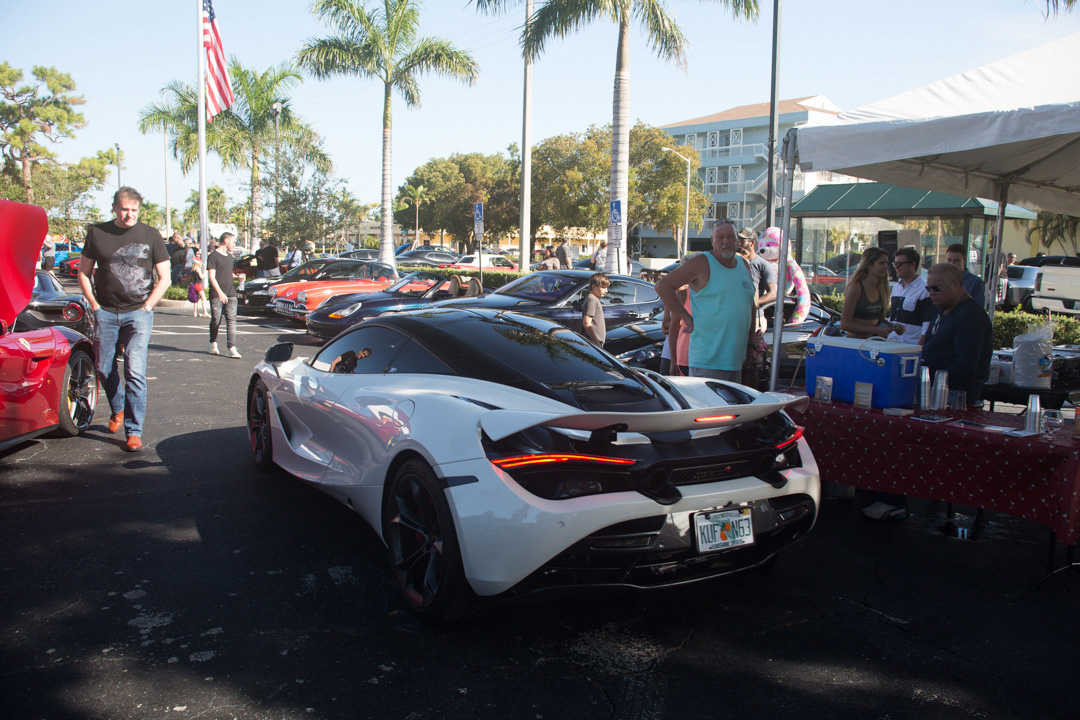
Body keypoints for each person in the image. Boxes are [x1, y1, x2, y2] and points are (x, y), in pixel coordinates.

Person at [78, 186, 170, 452]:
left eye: (134, 210)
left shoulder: (150, 235)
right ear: (115, 208)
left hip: (137, 313)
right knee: (103, 368)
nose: (130, 215)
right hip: (105, 311)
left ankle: (134, 431)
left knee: (135, 372)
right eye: (125, 210)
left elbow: (165, 277)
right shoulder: (97, 233)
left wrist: (148, 306)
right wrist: (94, 304)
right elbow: (84, 273)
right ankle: (117, 407)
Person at [655, 219, 756, 383]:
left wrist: (751, 345)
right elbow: (662, 286)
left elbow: (751, 306)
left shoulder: (744, 265)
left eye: (730, 237)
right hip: (708, 361)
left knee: (730, 409)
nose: (726, 242)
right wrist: (686, 318)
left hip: (737, 360)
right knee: (710, 409)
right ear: (712, 240)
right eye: (720, 237)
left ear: (737, 239)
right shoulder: (702, 263)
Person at [922, 262, 993, 406]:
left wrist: (928, 379)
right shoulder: (942, 308)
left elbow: (966, 365)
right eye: (928, 288)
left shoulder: (970, 315)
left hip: (955, 394)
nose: (931, 292)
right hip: (934, 388)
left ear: (955, 285)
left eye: (936, 288)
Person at [737, 228, 776, 388]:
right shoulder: (735, 261)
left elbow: (773, 293)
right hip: (738, 318)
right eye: (738, 239)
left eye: (743, 240)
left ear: (752, 243)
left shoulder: (762, 264)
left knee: (752, 361)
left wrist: (754, 303)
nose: (739, 242)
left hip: (756, 318)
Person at [840, 247, 895, 339]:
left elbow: (879, 319)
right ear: (869, 265)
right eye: (881, 263)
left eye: (886, 263)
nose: (886, 267)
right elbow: (845, 325)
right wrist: (876, 330)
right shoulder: (856, 288)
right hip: (854, 342)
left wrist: (893, 326)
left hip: (873, 342)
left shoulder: (881, 288)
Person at [886, 248, 934, 345]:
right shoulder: (896, 287)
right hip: (891, 343)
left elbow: (927, 324)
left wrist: (919, 349)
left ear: (912, 264)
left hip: (910, 346)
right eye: (895, 264)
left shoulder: (924, 289)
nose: (896, 267)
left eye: (899, 264)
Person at [207, 232, 242, 359]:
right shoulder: (213, 256)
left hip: (231, 293)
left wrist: (238, 277)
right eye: (233, 241)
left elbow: (227, 273)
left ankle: (231, 348)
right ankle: (212, 343)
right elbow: (212, 276)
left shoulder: (229, 257)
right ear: (226, 241)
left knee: (231, 320)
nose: (234, 244)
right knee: (216, 320)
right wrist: (220, 292)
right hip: (217, 294)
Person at [944, 243, 986, 308]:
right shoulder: (943, 280)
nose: (952, 264)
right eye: (949, 260)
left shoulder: (975, 282)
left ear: (964, 260)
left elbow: (979, 308)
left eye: (956, 261)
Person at [581, 272, 610, 346]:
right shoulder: (592, 299)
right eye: (603, 287)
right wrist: (596, 343)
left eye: (606, 288)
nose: (606, 291)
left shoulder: (591, 298)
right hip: (593, 342)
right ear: (594, 286)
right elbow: (587, 323)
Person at [190, 250, 210, 318]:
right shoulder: (198, 269)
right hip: (199, 284)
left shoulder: (193, 269)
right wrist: (204, 273)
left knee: (196, 299)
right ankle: (205, 312)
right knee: (204, 298)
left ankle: (195, 312)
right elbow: (201, 276)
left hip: (195, 284)